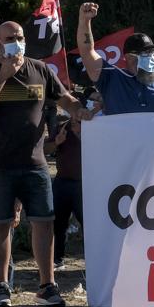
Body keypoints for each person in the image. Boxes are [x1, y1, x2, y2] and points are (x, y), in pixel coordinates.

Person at [0, 21, 92, 307]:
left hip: (35, 163)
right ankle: (2, 285)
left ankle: (46, 285)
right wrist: (3, 76)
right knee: (0, 225)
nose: (17, 41)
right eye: (10, 38)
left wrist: (81, 112)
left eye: (20, 37)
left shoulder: (40, 69)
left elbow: (66, 99)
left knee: (44, 223)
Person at [50, 103, 95, 268]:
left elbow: (98, 150)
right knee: (58, 224)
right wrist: (57, 141)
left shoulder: (92, 128)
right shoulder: (62, 128)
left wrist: (81, 135)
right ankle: (57, 260)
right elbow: (46, 148)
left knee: (88, 224)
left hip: (83, 184)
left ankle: (91, 261)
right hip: (62, 182)